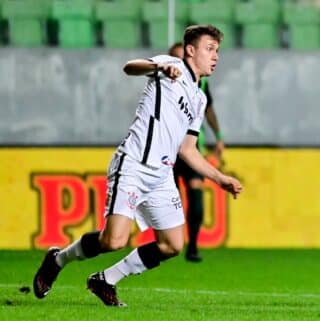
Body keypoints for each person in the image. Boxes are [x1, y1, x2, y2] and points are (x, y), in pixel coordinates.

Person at [32, 25, 242, 307]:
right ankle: (58, 259)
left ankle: (105, 279)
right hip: (134, 165)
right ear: (191, 50)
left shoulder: (200, 98)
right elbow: (130, 67)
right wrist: (157, 68)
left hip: (162, 176)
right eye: (209, 49)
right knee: (113, 241)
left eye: (217, 50)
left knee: (172, 245)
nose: (215, 56)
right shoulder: (171, 66)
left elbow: (188, 150)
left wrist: (219, 178)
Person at [168, 41, 225, 263]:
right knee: (170, 196)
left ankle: (192, 245)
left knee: (195, 192)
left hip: (191, 148)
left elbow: (208, 109)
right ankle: (168, 242)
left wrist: (218, 137)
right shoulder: (165, 81)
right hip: (167, 151)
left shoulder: (200, 86)